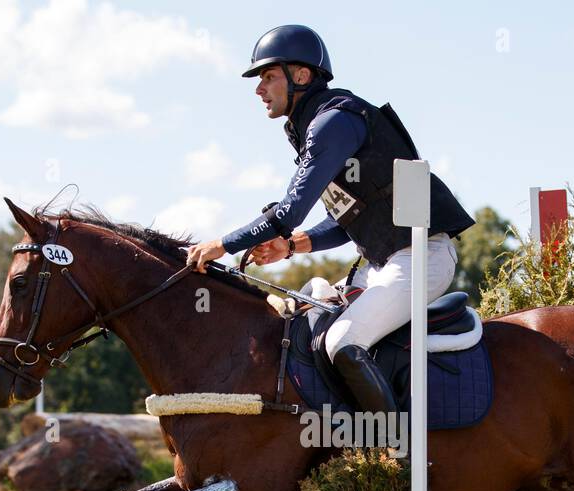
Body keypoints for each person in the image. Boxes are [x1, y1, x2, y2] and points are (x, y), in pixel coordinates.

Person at [185, 24, 474, 415]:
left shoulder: (332, 122)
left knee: (342, 341)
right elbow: (343, 222)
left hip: (421, 259)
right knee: (308, 315)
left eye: (268, 77)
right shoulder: (316, 125)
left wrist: (220, 245)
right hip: (381, 265)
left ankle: (394, 451)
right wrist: (291, 246)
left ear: (301, 76)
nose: (259, 89)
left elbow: (289, 211)